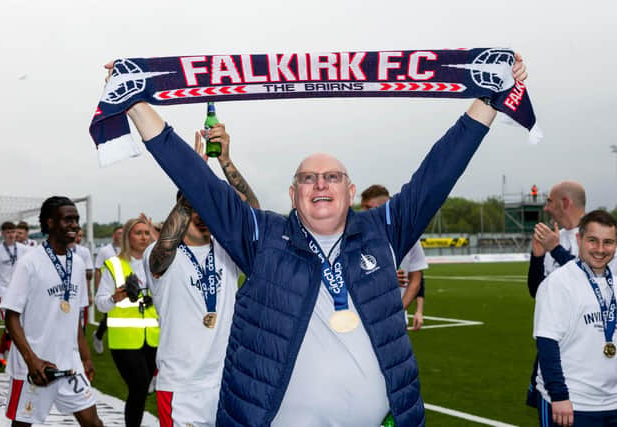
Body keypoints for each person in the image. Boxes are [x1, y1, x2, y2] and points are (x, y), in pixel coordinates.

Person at [115, 55, 527, 426]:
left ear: (351, 192)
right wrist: (135, 102)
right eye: (307, 178)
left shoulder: (383, 230)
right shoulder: (263, 237)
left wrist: (488, 100)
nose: (320, 184)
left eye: (332, 177)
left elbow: (439, 172)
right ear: (293, 196)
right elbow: (196, 181)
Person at [144, 126, 259, 427]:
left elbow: (254, 216)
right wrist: (192, 176)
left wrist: (225, 161)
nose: (203, 214)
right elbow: (164, 249)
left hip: (227, 379)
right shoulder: (159, 254)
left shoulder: (226, 249)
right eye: (197, 206)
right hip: (181, 387)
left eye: (209, 207)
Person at [1, 196, 102, 426]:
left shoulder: (76, 263)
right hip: (35, 365)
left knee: (93, 422)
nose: (75, 225)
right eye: (68, 219)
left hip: (70, 363)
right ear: (50, 223)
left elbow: (74, 315)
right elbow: (11, 316)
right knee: (22, 424)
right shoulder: (29, 262)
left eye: (76, 219)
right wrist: (31, 360)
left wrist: (84, 357)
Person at [534, 210, 617, 426]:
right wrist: (559, 396)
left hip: (612, 403)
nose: (600, 249)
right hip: (571, 405)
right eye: (593, 241)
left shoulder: (615, 284)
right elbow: (547, 343)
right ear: (579, 240)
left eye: (608, 242)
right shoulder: (558, 283)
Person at [525, 181, 586, 407]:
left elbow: (592, 281)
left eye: (550, 201)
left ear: (565, 202)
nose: (547, 207)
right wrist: (538, 256)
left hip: (583, 349)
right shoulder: (553, 236)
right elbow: (535, 290)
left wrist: (556, 250)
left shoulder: (597, 239)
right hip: (552, 345)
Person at [95, 217, 158, 427]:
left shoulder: (157, 263)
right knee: (139, 386)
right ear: (127, 237)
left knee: (146, 387)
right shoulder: (114, 265)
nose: (143, 237)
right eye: (138, 233)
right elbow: (100, 304)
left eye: (146, 233)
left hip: (154, 337)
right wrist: (116, 297)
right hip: (125, 340)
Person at [360, 184, 428, 330]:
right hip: (363, 321)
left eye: (368, 208)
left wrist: (397, 311)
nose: (362, 212)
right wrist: (381, 278)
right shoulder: (356, 237)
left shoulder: (408, 236)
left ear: (384, 208)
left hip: (396, 322)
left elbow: (416, 280)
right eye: (362, 207)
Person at [0, 221, 30, 367]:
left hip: (21, 292)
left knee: (20, 326)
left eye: (13, 232)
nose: (11, 235)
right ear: (3, 234)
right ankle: (10, 357)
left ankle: (1, 355)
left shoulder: (25, 249)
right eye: (8, 232)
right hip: (4, 293)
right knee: (10, 327)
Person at [92, 225, 122, 354]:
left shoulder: (129, 250)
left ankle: (101, 335)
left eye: (123, 233)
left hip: (123, 288)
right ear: (113, 236)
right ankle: (98, 336)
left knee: (119, 316)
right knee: (109, 316)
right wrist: (98, 288)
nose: (121, 235)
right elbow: (98, 269)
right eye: (118, 233)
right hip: (108, 287)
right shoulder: (105, 251)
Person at [70, 228, 94, 332]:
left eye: (80, 236)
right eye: (77, 236)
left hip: (79, 292)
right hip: (61, 292)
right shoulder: (58, 249)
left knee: (80, 326)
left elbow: (88, 274)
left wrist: (89, 294)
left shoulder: (84, 251)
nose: (79, 239)